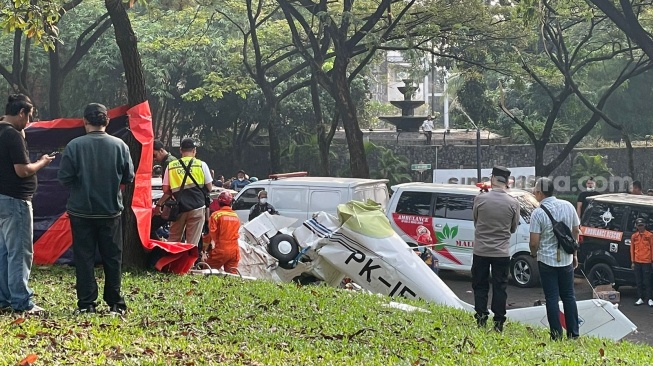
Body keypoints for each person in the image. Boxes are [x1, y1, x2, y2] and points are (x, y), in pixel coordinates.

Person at [58, 103, 134, 315]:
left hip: (81, 211)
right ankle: (115, 304)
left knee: (84, 258)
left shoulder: (74, 146)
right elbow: (128, 177)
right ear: (107, 121)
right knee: (112, 258)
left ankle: (86, 304)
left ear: (84, 121)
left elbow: (64, 178)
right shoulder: (120, 146)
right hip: (110, 211)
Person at [0, 94, 54, 314]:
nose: (30, 121)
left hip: (2, 199)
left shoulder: (5, 131)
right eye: (29, 116)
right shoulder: (12, 136)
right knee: (20, 252)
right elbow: (22, 170)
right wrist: (42, 162)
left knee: (4, 252)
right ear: (21, 112)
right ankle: (22, 301)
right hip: (16, 200)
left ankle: (4, 298)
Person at [529, 177, 580, 340]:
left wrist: (533, 253)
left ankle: (556, 335)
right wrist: (574, 255)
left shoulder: (537, 213)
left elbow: (534, 242)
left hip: (546, 261)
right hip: (566, 259)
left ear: (539, 193)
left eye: (535, 191)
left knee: (552, 298)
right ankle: (573, 333)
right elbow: (575, 232)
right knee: (569, 296)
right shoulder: (568, 206)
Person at [471, 166, 520, 332]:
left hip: (481, 251)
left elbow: (476, 222)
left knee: (480, 285)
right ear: (507, 182)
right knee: (500, 287)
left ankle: (481, 319)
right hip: (501, 253)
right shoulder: (514, 203)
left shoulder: (480, 199)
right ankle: (498, 323)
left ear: (492, 179)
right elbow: (513, 228)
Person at [155, 138, 212, 246]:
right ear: (194, 150)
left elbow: (166, 190)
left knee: (173, 241)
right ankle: (189, 263)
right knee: (192, 244)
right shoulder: (201, 164)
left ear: (181, 150)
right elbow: (209, 187)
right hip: (197, 207)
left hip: (178, 208)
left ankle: (173, 262)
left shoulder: (171, 166)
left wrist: (159, 204)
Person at [206, 191, 241, 273]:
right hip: (234, 250)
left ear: (219, 202)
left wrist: (204, 249)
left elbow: (211, 234)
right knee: (232, 276)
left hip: (221, 250)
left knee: (208, 272)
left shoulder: (216, 215)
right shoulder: (235, 216)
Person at [630, 218, 653, 307]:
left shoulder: (650, 235)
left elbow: (652, 248)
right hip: (637, 261)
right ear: (636, 226)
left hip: (647, 261)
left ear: (644, 225)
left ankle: (650, 299)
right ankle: (640, 298)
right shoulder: (634, 236)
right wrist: (632, 261)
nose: (640, 227)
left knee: (647, 281)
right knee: (638, 281)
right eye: (639, 225)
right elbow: (632, 249)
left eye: (641, 225)